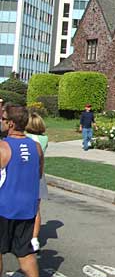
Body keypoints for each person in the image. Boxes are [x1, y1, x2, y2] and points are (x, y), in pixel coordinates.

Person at [0, 104, 43, 277]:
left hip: (4, 207)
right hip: (27, 209)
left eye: (3, 119)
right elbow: (38, 175)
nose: (1, 121)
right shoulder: (36, 147)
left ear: (10, 124)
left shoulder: (3, 147)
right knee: (26, 254)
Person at [25, 112, 49, 252]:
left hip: (26, 174)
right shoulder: (44, 139)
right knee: (36, 209)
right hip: (39, 175)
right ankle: (34, 239)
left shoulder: (27, 137)